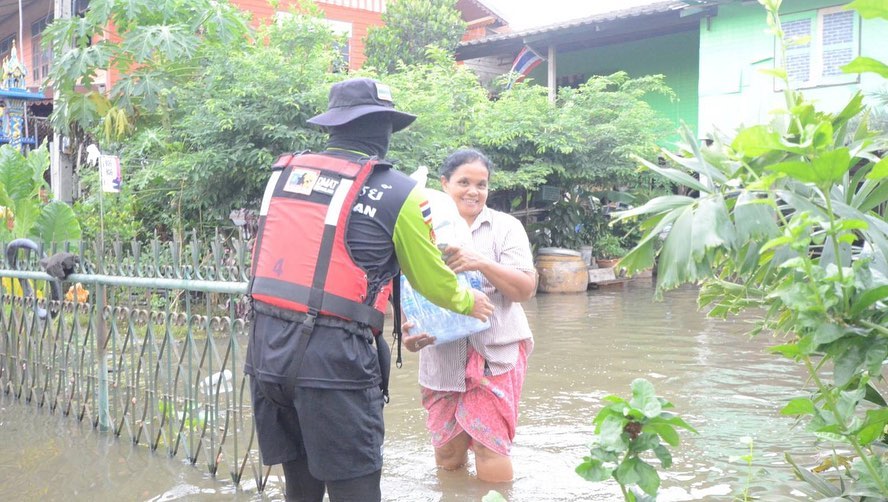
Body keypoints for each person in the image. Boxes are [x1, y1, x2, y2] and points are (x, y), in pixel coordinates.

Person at [244, 79, 494, 502]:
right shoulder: (401, 193)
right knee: (356, 490)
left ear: (333, 127)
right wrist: (470, 299)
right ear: (384, 130)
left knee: (300, 488)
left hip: (266, 350)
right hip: (333, 362)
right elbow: (430, 279)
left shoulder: (286, 174)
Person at [402, 148, 537, 483]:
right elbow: (406, 292)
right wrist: (407, 333)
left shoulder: (505, 227)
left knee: (490, 448)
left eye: (482, 184)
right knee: (447, 454)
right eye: (464, 182)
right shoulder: (421, 230)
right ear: (444, 184)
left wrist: (481, 262)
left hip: (494, 356)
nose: (473, 191)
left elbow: (525, 290)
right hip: (441, 357)